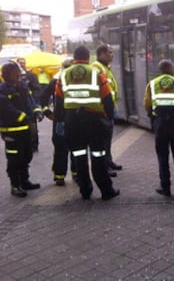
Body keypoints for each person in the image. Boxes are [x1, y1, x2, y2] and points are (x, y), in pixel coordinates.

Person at [54, 46, 120, 201]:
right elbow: (106, 97)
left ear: (75, 57)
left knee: (79, 157)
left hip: (72, 121)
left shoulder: (63, 75)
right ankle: (106, 190)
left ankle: (85, 191)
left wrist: (59, 120)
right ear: (87, 58)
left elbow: (58, 100)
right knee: (98, 156)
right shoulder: (96, 72)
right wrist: (109, 117)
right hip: (94, 120)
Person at [143, 59, 174, 196]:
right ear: (170, 69)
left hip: (160, 124)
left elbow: (146, 104)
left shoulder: (152, 84)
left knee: (162, 156)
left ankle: (165, 187)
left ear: (160, 70)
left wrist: (154, 117)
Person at [0, 60, 43, 197]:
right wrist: (24, 117)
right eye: (15, 73)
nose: (18, 75)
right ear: (7, 74)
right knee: (14, 158)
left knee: (27, 155)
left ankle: (25, 181)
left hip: (26, 129)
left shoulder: (22, 86)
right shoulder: (3, 90)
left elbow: (30, 101)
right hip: (12, 131)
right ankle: (15, 185)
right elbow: (7, 109)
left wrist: (37, 111)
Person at [40, 57, 77, 186]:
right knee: (63, 147)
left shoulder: (75, 80)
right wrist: (47, 112)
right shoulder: (56, 81)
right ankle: (60, 175)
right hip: (61, 119)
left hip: (71, 118)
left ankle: (75, 173)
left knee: (74, 147)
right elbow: (43, 97)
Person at [92, 44, 122, 178]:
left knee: (108, 139)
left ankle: (109, 161)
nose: (112, 55)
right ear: (101, 54)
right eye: (109, 52)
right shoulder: (97, 68)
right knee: (103, 140)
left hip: (110, 107)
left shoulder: (105, 67)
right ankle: (105, 166)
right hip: (103, 109)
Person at [16, 57, 41, 152]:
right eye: (20, 63)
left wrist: (35, 102)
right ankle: (23, 145)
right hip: (19, 106)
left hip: (30, 105)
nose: (21, 64)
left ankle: (34, 145)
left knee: (33, 126)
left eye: (23, 63)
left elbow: (37, 89)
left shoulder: (31, 75)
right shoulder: (13, 77)